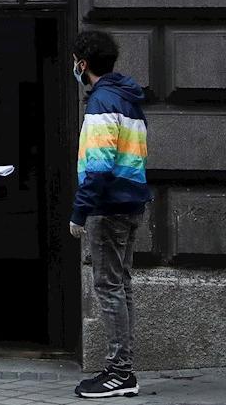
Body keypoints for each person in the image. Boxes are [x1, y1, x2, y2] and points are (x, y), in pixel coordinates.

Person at [67, 31, 150, 398]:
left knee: (109, 287)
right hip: (130, 204)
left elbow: (99, 166)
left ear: (83, 64)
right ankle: (123, 370)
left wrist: (79, 212)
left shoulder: (101, 102)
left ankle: (119, 371)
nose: (74, 67)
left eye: (75, 62)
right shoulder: (128, 99)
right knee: (121, 285)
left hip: (108, 207)